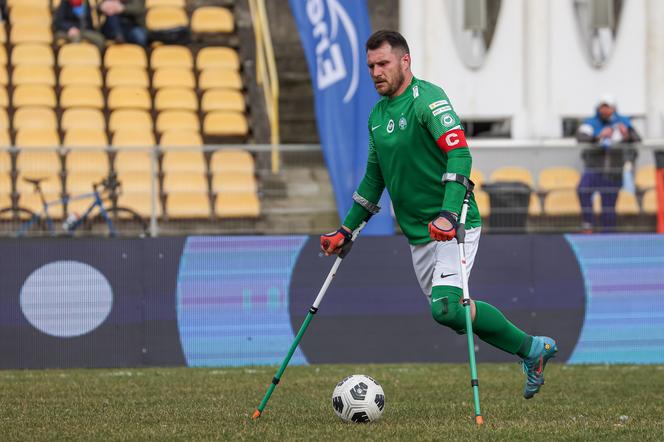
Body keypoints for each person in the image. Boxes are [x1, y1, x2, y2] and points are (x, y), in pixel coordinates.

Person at [320, 30, 557, 400]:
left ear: (404, 61)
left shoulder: (428, 101)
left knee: (446, 309)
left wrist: (448, 214)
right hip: (420, 235)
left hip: (453, 224)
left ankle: (531, 348)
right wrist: (345, 230)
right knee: (454, 315)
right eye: (370, 66)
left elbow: (460, 155)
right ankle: (532, 350)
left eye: (383, 63)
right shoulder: (377, 116)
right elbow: (373, 180)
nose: (376, 72)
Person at [576, 95, 641, 232]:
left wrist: (626, 135)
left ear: (614, 108)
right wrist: (599, 137)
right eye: (603, 107)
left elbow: (637, 139)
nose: (605, 110)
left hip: (613, 172)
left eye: (608, 107)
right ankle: (588, 223)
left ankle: (608, 235)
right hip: (594, 169)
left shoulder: (623, 122)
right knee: (583, 190)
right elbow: (580, 137)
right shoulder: (590, 123)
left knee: (609, 206)